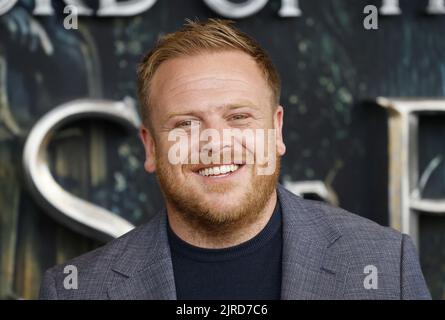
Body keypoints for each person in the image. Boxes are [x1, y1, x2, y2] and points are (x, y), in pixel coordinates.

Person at [39, 18, 431, 300]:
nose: (215, 142)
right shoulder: (76, 290)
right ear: (151, 148)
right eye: (186, 123)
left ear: (276, 131)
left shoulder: (383, 265)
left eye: (239, 117)